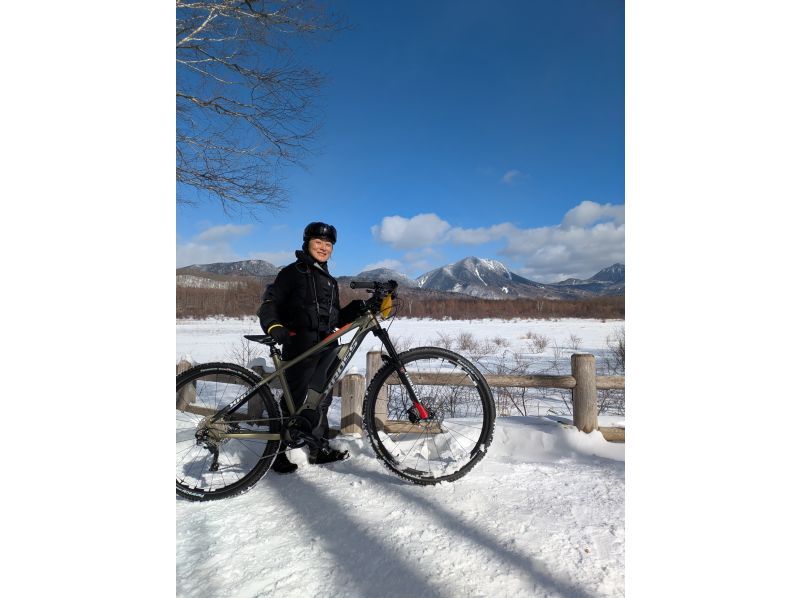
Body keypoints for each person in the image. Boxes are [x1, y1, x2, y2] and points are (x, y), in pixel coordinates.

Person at [257, 222, 365, 474]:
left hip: (327, 345)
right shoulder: (292, 272)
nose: (324, 248)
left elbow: (335, 318)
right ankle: (277, 454)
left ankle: (318, 448)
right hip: (300, 345)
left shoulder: (329, 280)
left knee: (321, 399)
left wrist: (357, 308)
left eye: (328, 244)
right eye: (318, 242)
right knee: (293, 400)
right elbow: (270, 302)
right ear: (307, 244)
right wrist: (273, 325)